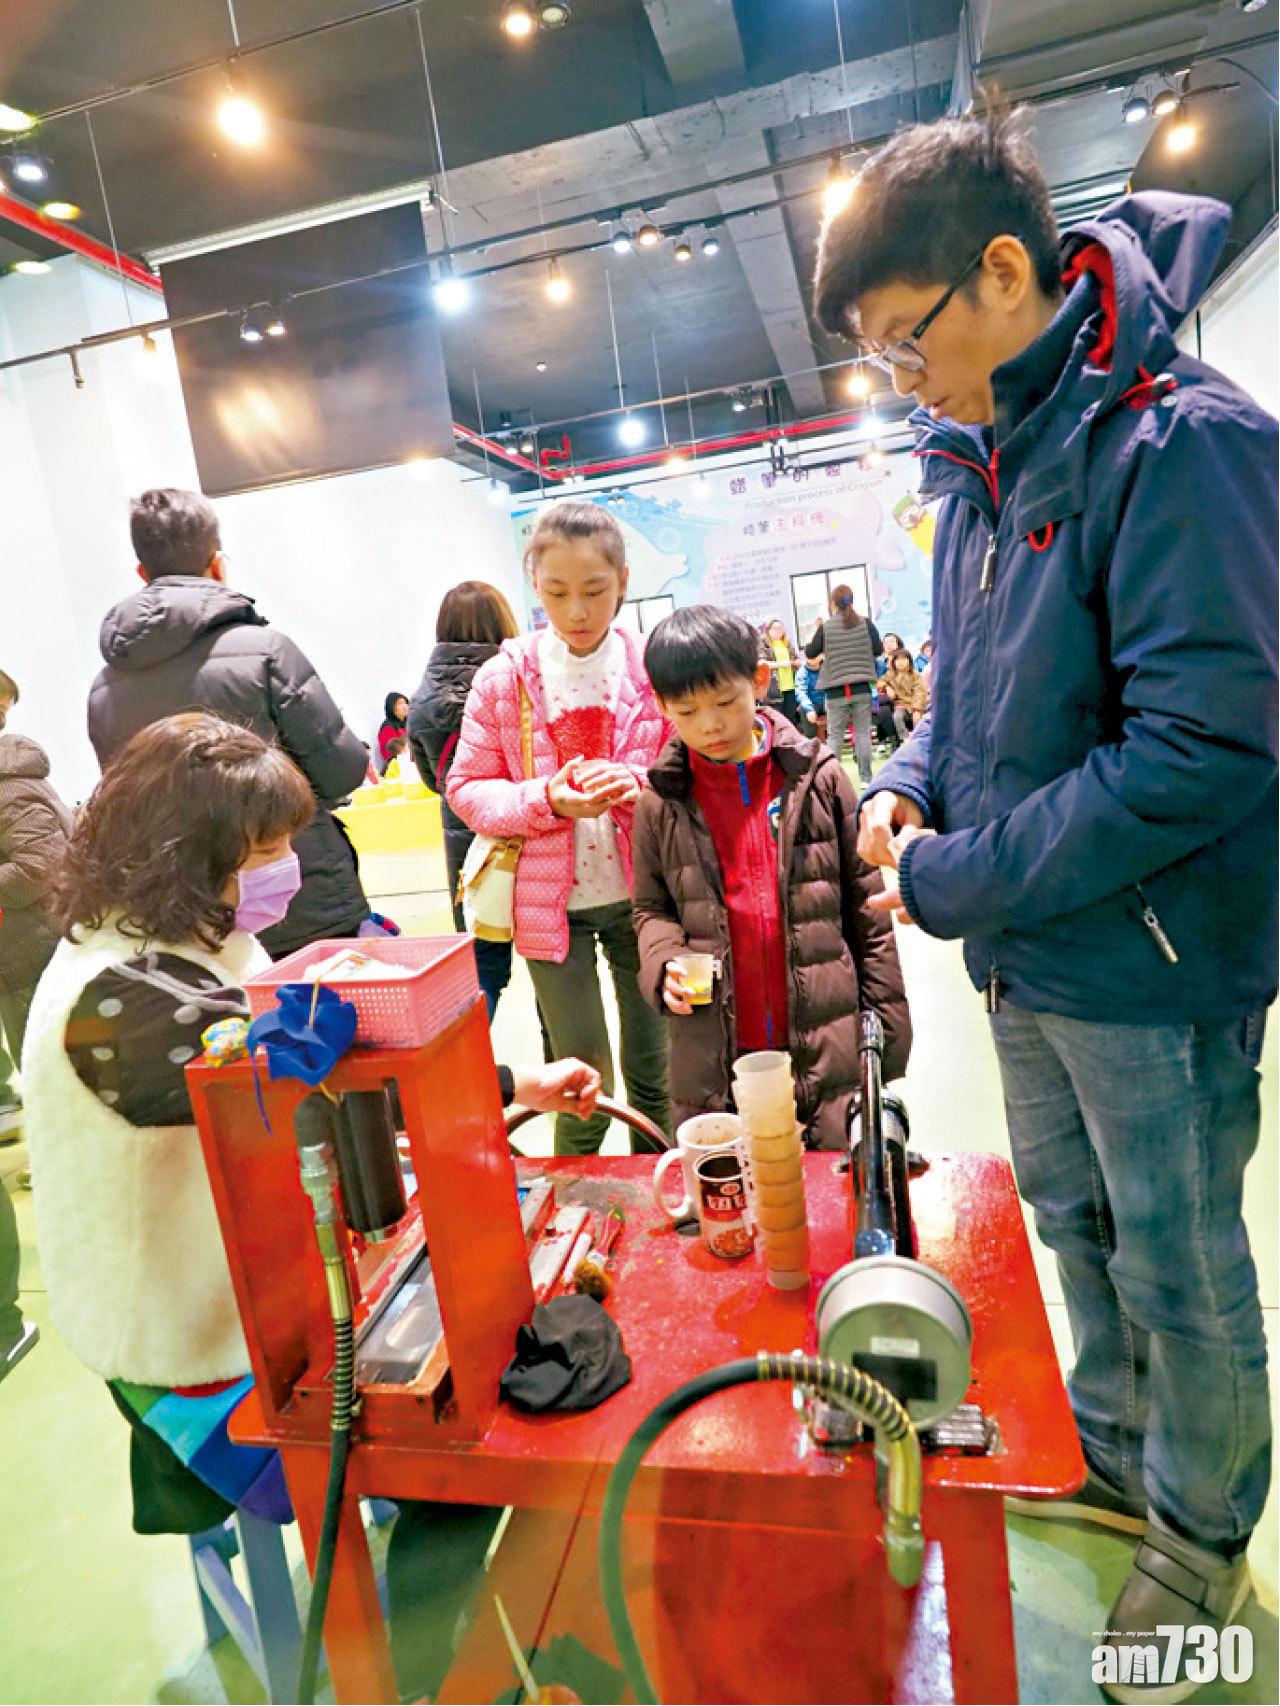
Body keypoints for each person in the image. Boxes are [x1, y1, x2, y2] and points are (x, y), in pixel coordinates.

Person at [815, 107, 1277, 1698]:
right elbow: (962, 699)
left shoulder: (1182, 442)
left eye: (906, 339)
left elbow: (1201, 750)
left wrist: (953, 875)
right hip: (1032, 959)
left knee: (1178, 1260)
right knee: (1075, 1230)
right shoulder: (979, 463)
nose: (902, 380)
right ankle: (1116, 1449)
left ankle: (1201, 1529)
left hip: (1155, 963)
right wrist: (910, 786)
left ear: (1003, 272)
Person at [632, 605, 910, 1148]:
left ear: (759, 680)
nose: (710, 725)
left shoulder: (818, 778)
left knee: (837, 1182)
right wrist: (663, 963)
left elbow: (867, 910)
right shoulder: (660, 802)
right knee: (731, 1187)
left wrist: (886, 1032)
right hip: (714, 1057)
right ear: (662, 705)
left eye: (724, 702)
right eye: (686, 711)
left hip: (828, 1043)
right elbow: (651, 909)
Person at [448, 500, 671, 1156]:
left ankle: (659, 1200)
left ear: (623, 581)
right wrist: (546, 797)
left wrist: (639, 784)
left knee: (655, 1076)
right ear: (533, 584)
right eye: (556, 593)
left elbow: (693, 767)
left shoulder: (654, 667)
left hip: (646, 899)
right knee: (580, 1084)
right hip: (551, 911)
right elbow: (466, 789)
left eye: (595, 591)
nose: (576, 611)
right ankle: (573, 1198)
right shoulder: (504, 677)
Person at [88, 488, 372, 959]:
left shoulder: (104, 687)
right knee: (321, 1003)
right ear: (218, 565)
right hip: (295, 896)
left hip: (184, 911)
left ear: (142, 573)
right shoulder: (266, 651)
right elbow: (341, 772)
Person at [0, 667, 73, 1379]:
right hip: (16, 962)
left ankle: (74, 1175)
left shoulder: (13, 786)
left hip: (37, 958)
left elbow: (37, 867)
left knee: (53, 1071)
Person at [408, 582, 521, 1019]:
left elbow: (431, 780)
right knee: (554, 963)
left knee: (482, 967)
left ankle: (469, 1055)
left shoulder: (422, 697)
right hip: (531, 830)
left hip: (467, 846)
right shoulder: (516, 679)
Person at [804, 584, 883, 785]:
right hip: (861, 687)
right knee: (863, 734)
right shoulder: (866, 623)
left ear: (833, 603)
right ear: (852, 601)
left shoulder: (826, 627)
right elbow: (878, 650)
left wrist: (817, 630)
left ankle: (833, 781)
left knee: (835, 736)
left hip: (835, 691)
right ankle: (866, 779)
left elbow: (810, 652)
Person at [878, 648, 928, 745]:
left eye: (904, 659)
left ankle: (918, 739)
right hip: (900, 705)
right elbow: (880, 681)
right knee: (897, 717)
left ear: (909, 661)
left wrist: (917, 709)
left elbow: (920, 693)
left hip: (914, 705)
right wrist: (886, 687)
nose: (901, 662)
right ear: (893, 662)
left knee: (918, 720)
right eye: (898, 660)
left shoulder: (915, 675)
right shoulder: (890, 674)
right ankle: (904, 739)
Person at [761, 617, 802, 727]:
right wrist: (783, 663)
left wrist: (797, 662)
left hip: (790, 686)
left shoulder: (787, 643)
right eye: (774, 628)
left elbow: (794, 659)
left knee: (791, 720)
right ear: (768, 630)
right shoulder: (764, 644)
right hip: (774, 689)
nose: (778, 631)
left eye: (780, 628)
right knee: (776, 721)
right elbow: (762, 664)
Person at [873, 631, 905, 749]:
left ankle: (892, 742)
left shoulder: (905, 660)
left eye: (892, 641)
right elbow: (874, 683)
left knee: (884, 705)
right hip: (879, 699)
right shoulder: (878, 663)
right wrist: (885, 687)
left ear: (898, 644)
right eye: (885, 642)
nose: (889, 644)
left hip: (901, 698)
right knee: (882, 706)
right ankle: (895, 743)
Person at [376, 692, 409, 773]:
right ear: (391, 707)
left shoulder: (409, 722)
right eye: (400, 704)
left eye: (406, 703)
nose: (405, 706)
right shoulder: (387, 727)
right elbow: (388, 754)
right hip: (398, 768)